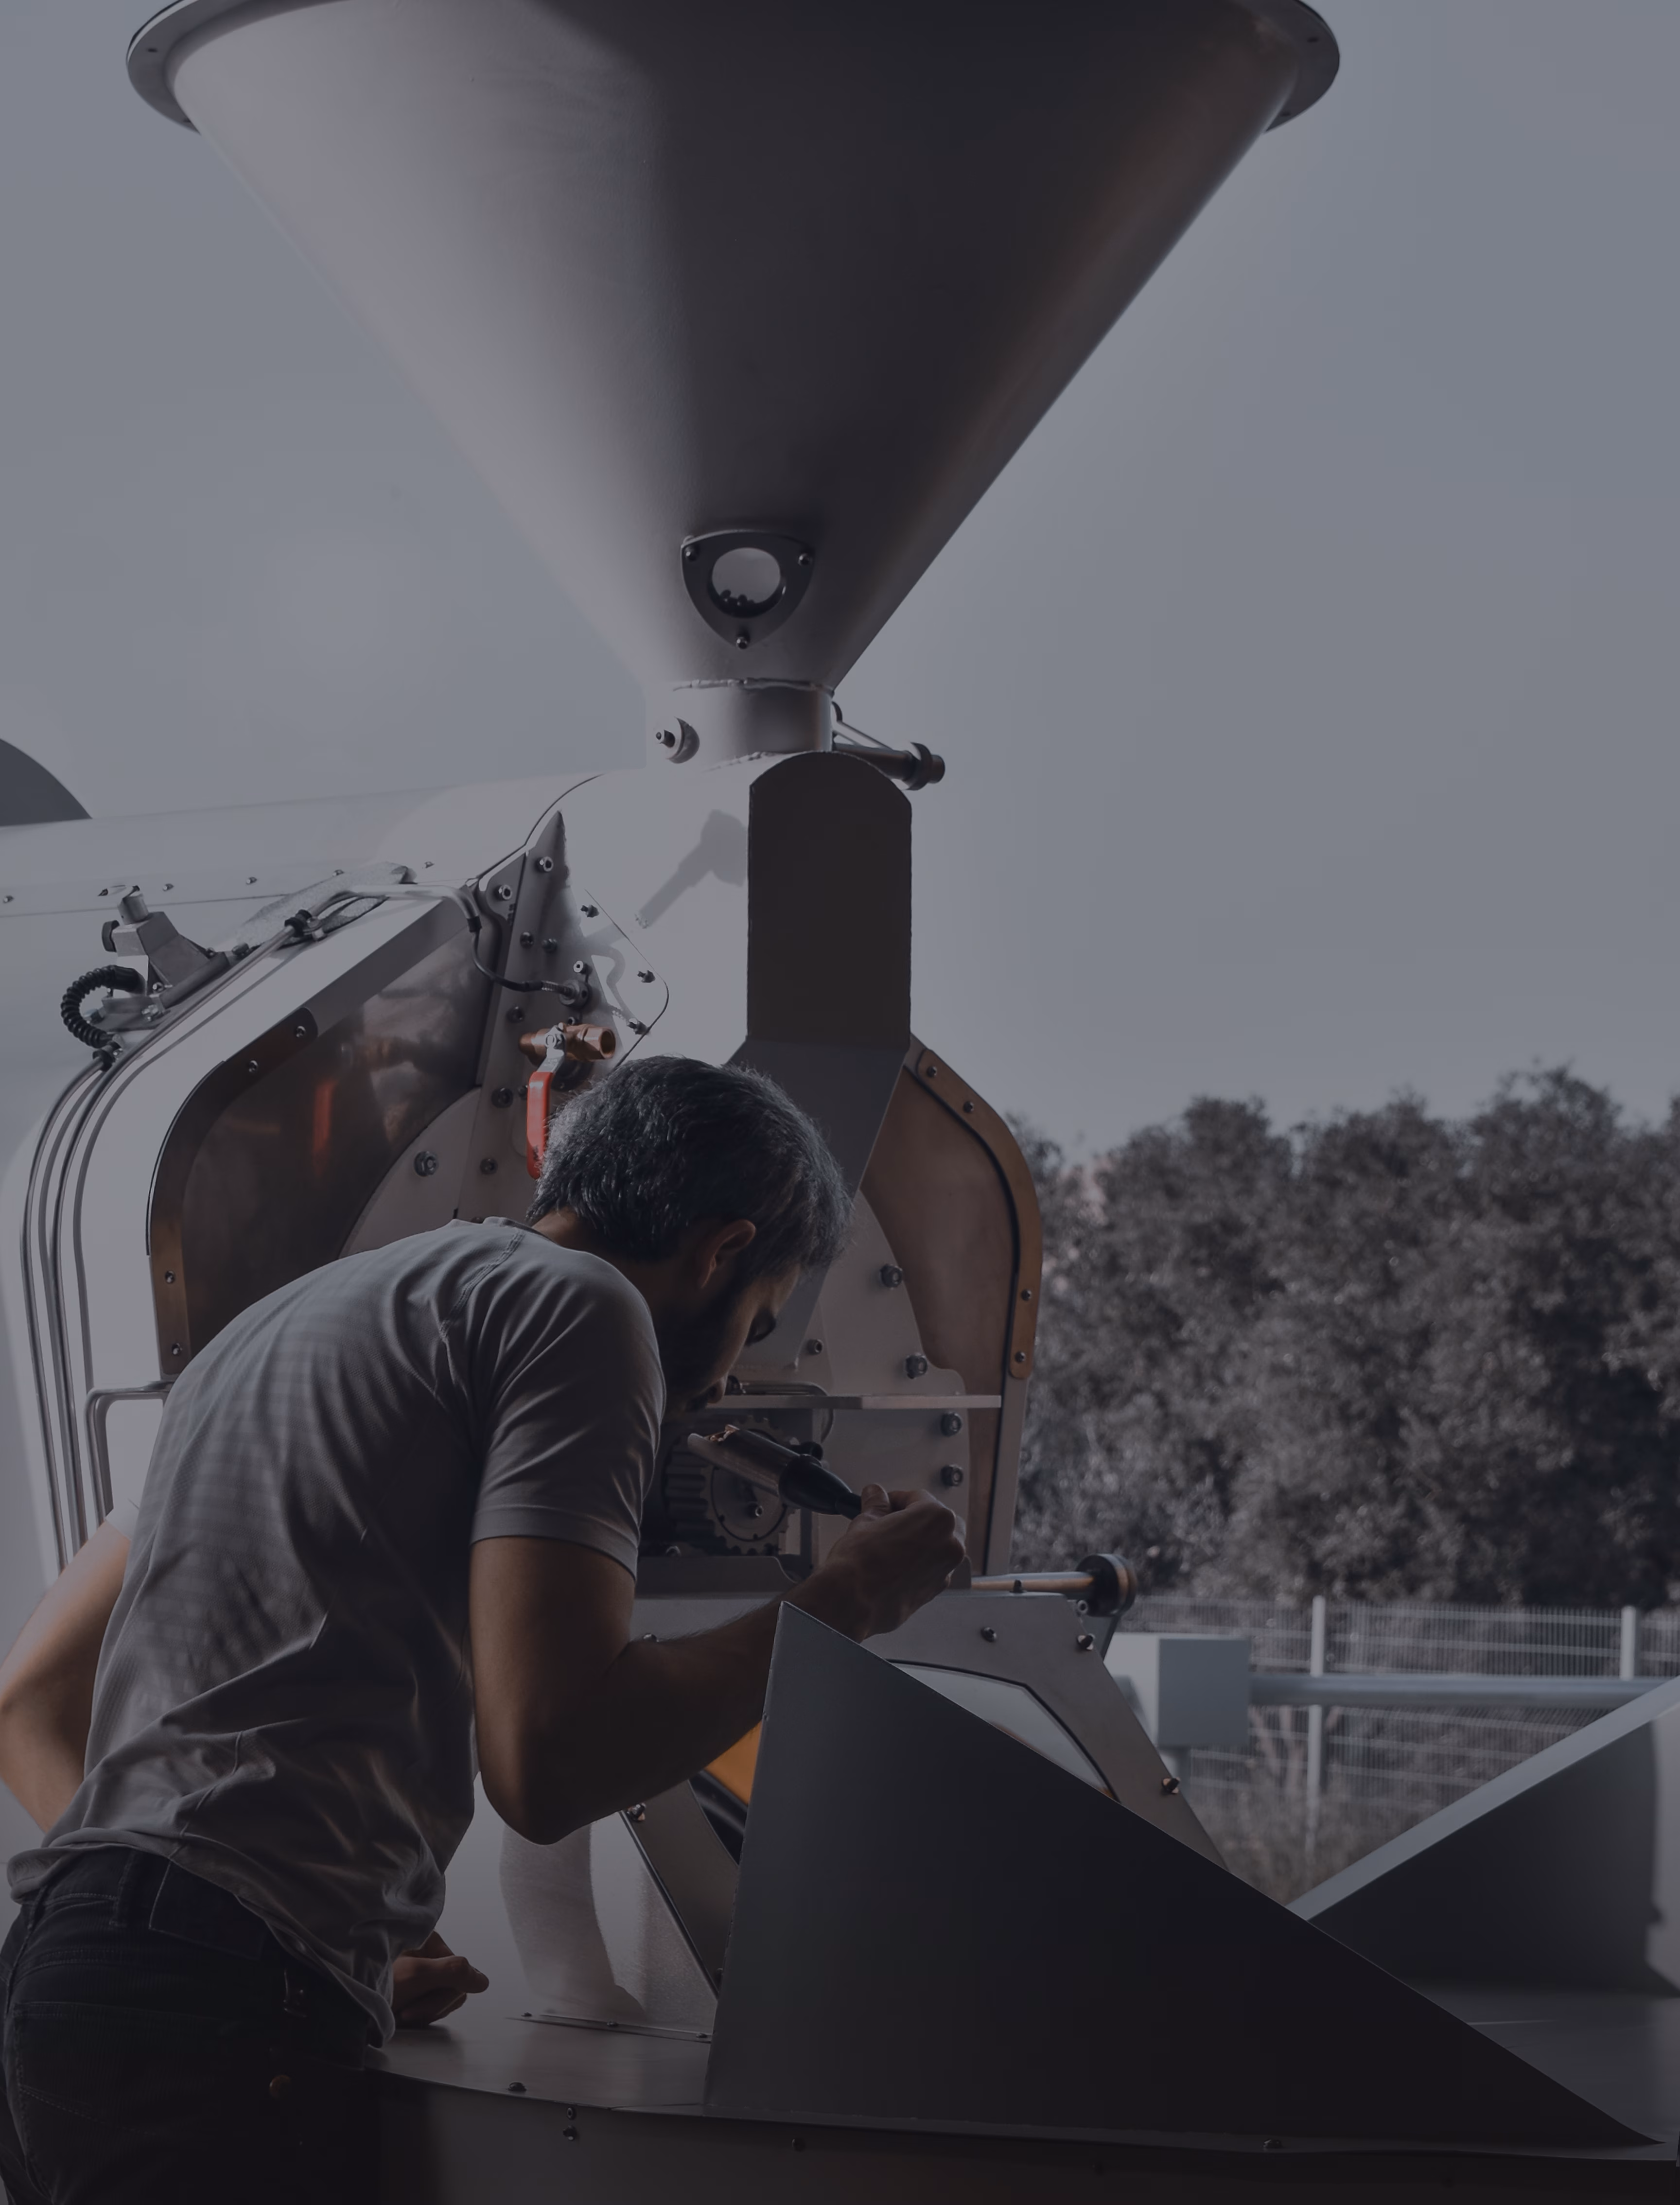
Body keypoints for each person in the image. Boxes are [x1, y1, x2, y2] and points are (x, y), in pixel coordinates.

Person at [0, 1056, 963, 2203]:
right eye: (756, 1318)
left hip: (68, 1979)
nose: (722, 1379)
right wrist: (845, 1601)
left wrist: (272, 1931)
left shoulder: (285, 1323)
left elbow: (27, 1704)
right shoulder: (585, 1306)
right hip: (208, 2024)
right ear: (721, 1250)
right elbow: (550, 1764)